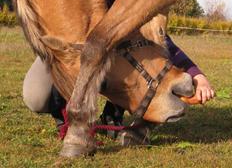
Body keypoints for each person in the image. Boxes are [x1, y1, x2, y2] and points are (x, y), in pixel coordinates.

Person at [23, 35, 215, 137]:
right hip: (65, 43)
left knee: (133, 60)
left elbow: (165, 43)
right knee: (37, 97)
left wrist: (196, 74)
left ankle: (114, 115)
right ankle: (65, 118)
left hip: (109, 51)